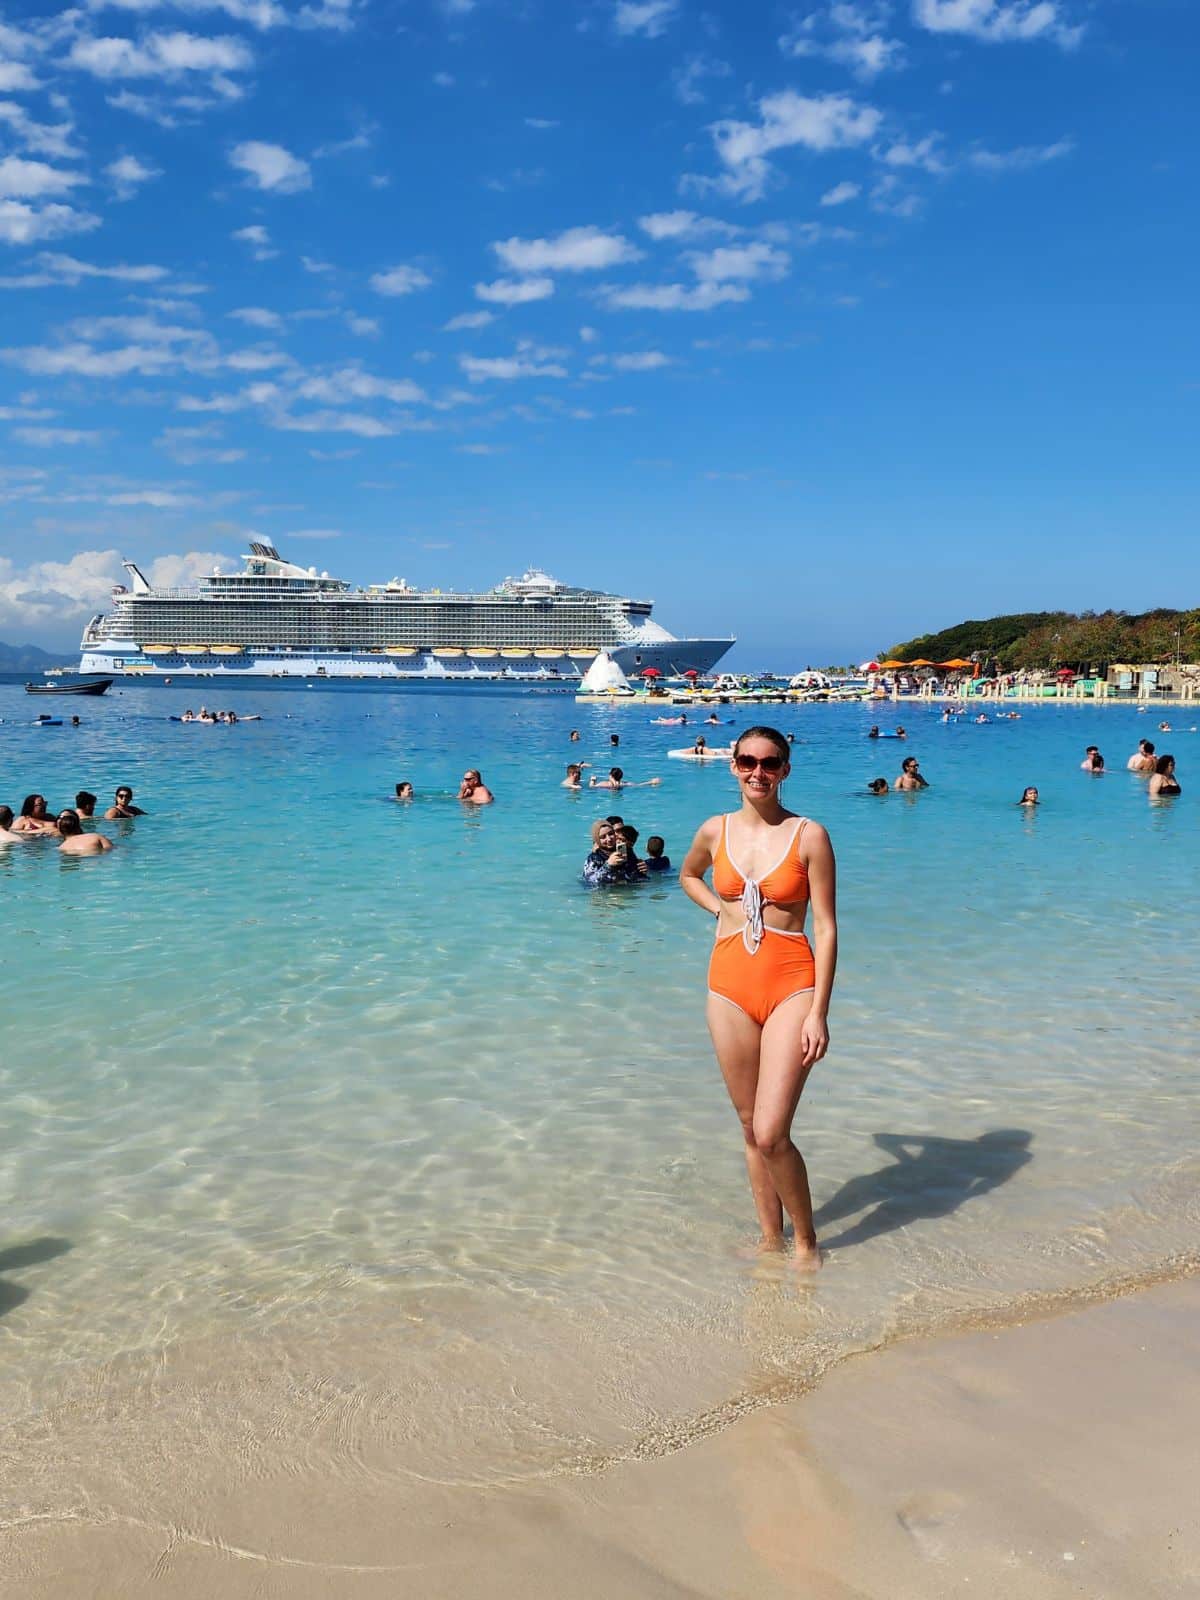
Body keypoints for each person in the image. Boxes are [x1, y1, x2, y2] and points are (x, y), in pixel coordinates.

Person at [680, 726, 837, 1268]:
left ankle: (808, 1243)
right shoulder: (715, 830)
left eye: (770, 764)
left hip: (792, 983)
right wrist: (720, 911)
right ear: (732, 765)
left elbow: (827, 927)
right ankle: (771, 1238)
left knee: (772, 1132)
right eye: (748, 761)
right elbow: (688, 875)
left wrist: (819, 1012)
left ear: (785, 770)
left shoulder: (808, 835)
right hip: (726, 987)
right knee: (749, 1126)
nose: (758, 773)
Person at [582, 818, 641, 886]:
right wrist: (608, 865)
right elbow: (588, 883)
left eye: (610, 834)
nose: (609, 839)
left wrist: (642, 870)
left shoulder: (626, 851)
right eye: (603, 837)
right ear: (597, 839)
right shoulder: (594, 858)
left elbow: (637, 878)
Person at [590, 766, 661, 790]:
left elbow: (592, 787)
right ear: (621, 776)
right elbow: (638, 785)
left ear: (610, 775)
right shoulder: (623, 784)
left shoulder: (604, 783)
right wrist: (651, 782)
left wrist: (593, 780)